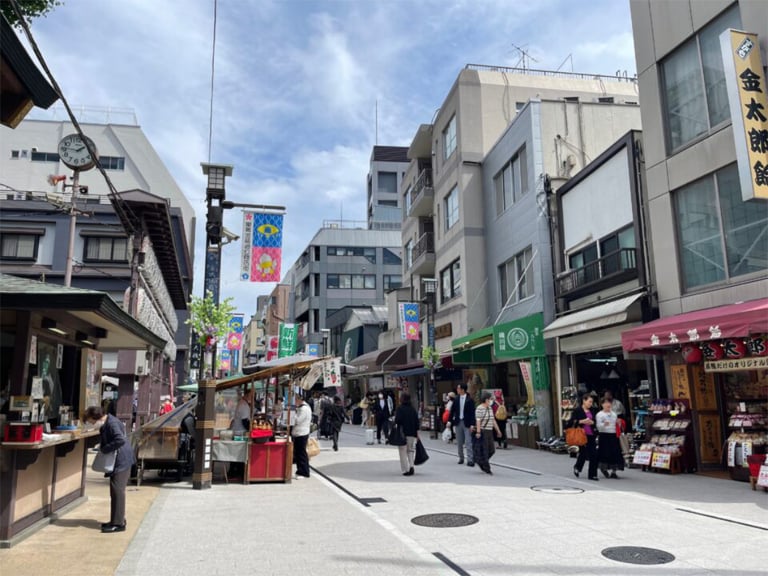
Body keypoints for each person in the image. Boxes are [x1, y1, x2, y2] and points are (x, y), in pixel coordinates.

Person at [84, 405, 135, 533]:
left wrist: (105, 449)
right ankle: (117, 519)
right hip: (121, 459)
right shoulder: (109, 421)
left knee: (117, 491)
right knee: (116, 491)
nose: (92, 424)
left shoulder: (111, 423)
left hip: (121, 460)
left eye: (91, 422)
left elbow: (120, 440)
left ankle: (118, 523)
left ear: (97, 418)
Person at [571, 394, 599, 481]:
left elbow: (595, 421)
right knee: (583, 452)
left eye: (592, 402)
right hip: (581, 434)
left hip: (591, 434)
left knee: (594, 454)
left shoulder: (592, 410)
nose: (591, 403)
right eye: (589, 401)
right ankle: (577, 467)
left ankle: (592, 474)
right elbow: (572, 422)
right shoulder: (577, 410)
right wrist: (582, 421)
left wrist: (592, 422)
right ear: (584, 400)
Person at [474, 391, 502, 475]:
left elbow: (493, 420)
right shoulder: (479, 408)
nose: (491, 400)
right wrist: (478, 432)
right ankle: (487, 468)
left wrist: (498, 430)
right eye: (490, 399)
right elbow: (478, 421)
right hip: (483, 431)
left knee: (492, 450)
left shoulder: (489, 408)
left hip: (490, 431)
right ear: (486, 399)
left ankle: (481, 461)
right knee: (485, 450)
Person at [596, 397, 624, 478]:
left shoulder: (614, 414)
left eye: (609, 403)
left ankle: (614, 471)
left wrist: (619, 424)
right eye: (605, 403)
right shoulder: (599, 414)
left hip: (613, 434)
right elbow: (598, 427)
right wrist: (603, 425)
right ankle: (603, 469)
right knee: (604, 453)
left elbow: (617, 425)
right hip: (604, 435)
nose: (608, 405)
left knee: (615, 452)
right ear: (602, 405)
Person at [450, 382, 476, 467]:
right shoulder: (456, 399)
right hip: (458, 422)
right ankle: (461, 457)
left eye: (458, 388)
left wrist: (473, 424)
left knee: (468, 442)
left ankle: (470, 459)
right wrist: (450, 421)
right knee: (459, 441)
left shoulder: (470, 400)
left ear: (462, 390)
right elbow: (452, 411)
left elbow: (473, 412)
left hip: (467, 423)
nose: (457, 390)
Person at [394, 392, 420, 476]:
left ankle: (405, 469)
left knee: (402, 451)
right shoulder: (412, 409)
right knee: (410, 450)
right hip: (411, 433)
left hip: (402, 433)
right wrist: (417, 433)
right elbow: (417, 422)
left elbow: (397, 420)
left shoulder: (400, 409)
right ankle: (411, 466)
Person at [292, 394, 312, 479]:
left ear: (300, 399)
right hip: (298, 433)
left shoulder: (304, 409)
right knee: (298, 453)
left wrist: (292, 415)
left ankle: (304, 472)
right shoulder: (301, 408)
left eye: (296, 400)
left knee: (301, 453)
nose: (295, 402)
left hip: (301, 433)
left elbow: (298, 420)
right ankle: (300, 471)